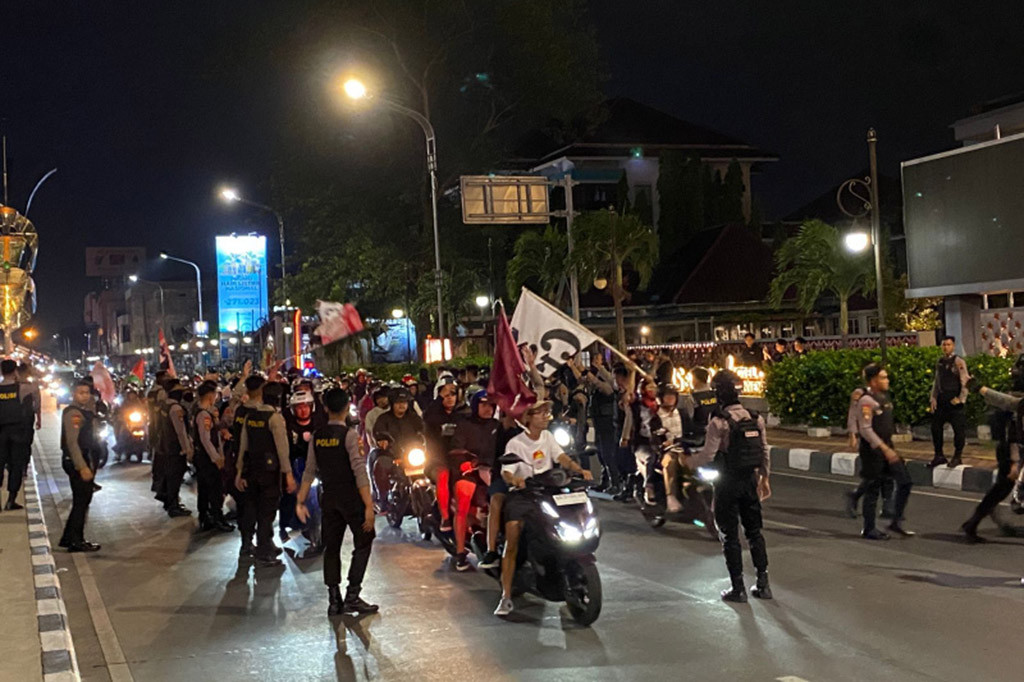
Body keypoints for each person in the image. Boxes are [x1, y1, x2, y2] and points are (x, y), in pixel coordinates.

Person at [494, 401, 591, 617]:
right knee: (513, 536)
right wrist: (515, 479)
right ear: (528, 417)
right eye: (541, 413)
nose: (546, 416)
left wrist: (579, 469)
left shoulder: (548, 438)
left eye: (548, 412)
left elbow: (561, 457)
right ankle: (506, 596)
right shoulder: (515, 444)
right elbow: (506, 472)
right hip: (523, 495)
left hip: (547, 491)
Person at [688, 370, 772, 603]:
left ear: (718, 393)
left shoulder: (719, 421)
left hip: (727, 482)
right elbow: (764, 451)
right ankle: (763, 584)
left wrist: (688, 461)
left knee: (729, 535)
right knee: (754, 532)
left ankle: (738, 588)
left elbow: (708, 455)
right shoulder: (755, 417)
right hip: (750, 481)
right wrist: (765, 478)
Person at [296, 388, 378, 616]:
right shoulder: (350, 436)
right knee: (364, 541)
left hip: (329, 498)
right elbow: (360, 472)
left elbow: (309, 471)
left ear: (324, 409)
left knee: (331, 547)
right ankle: (353, 595)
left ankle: (334, 599)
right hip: (351, 499)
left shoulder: (317, 436)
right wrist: (369, 506)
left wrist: (300, 500)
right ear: (346, 408)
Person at [236, 379, 296, 566]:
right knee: (267, 513)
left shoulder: (250, 417)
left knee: (253, 508)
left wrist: (239, 472)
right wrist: (288, 475)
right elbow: (282, 450)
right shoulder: (275, 419)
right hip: (270, 473)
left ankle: (260, 544)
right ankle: (264, 550)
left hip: (252, 470)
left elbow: (242, 447)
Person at [960, 367, 1023, 542]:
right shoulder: (1019, 404)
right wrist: (1014, 462)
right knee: (1001, 489)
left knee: (1001, 489)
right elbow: (1015, 434)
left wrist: (979, 388)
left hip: (1012, 451)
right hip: (1013, 452)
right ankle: (972, 523)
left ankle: (973, 522)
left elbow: (1002, 400)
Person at [855, 363, 915, 540]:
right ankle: (869, 528)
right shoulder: (866, 401)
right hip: (873, 451)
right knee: (873, 489)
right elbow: (865, 429)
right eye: (883, 377)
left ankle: (895, 521)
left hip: (888, 447)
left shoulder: (884, 397)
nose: (887, 380)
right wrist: (884, 448)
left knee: (905, 481)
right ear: (873, 381)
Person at [444, 390, 498, 571]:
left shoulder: (497, 426)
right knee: (464, 498)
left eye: (491, 404)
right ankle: (460, 552)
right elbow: (455, 449)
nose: (487, 408)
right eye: (483, 404)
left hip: (492, 470)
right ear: (475, 405)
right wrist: (466, 464)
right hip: (469, 472)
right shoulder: (464, 425)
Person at [58, 380, 101, 552]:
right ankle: (76, 540)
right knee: (81, 501)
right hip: (76, 460)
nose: (84, 395)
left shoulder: (85, 412)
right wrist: (81, 466)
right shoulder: (73, 414)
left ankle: (69, 538)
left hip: (82, 458)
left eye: (87, 392)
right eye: (80, 392)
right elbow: (72, 442)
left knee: (83, 500)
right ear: (73, 394)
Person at [370, 387, 425, 507]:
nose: (402, 405)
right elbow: (378, 432)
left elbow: (424, 430)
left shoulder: (414, 418)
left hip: (413, 454)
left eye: (404, 402)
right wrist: (382, 440)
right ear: (392, 403)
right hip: (392, 455)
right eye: (398, 402)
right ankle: (383, 499)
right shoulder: (383, 418)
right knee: (381, 464)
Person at [192, 382, 233, 532]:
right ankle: (216, 518)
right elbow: (206, 439)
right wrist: (216, 458)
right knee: (214, 489)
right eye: (215, 394)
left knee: (205, 488)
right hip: (207, 459)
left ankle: (206, 517)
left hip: (205, 457)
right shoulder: (204, 415)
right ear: (210, 395)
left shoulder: (205, 412)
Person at [281, 389, 318, 543]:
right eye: (299, 407)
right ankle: (284, 526)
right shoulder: (287, 428)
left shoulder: (318, 425)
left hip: (315, 468)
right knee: (288, 496)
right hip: (295, 467)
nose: (303, 410)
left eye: (306, 406)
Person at [928, 335, 971, 469]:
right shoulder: (940, 362)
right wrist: (933, 398)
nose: (946, 347)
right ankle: (938, 455)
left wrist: (961, 399)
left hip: (954, 402)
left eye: (948, 344)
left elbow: (965, 381)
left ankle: (957, 456)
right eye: (944, 345)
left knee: (958, 430)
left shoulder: (958, 362)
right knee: (935, 428)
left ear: (953, 346)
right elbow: (937, 381)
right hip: (942, 400)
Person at [0, 359, 35, 510]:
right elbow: (32, 408)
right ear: (15, 371)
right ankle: (10, 500)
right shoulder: (23, 389)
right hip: (17, 433)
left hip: (0, 433)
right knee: (16, 466)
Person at [587, 352, 620, 493]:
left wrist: (598, 370)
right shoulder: (596, 386)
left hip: (608, 422)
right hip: (599, 421)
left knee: (608, 454)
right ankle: (605, 480)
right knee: (600, 453)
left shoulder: (610, 386)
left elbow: (605, 386)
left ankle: (616, 483)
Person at [160, 383, 194, 518]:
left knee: (170, 475)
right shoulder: (175, 408)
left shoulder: (164, 405)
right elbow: (181, 431)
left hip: (167, 446)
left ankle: (170, 502)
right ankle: (173, 506)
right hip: (176, 448)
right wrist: (187, 449)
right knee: (175, 476)